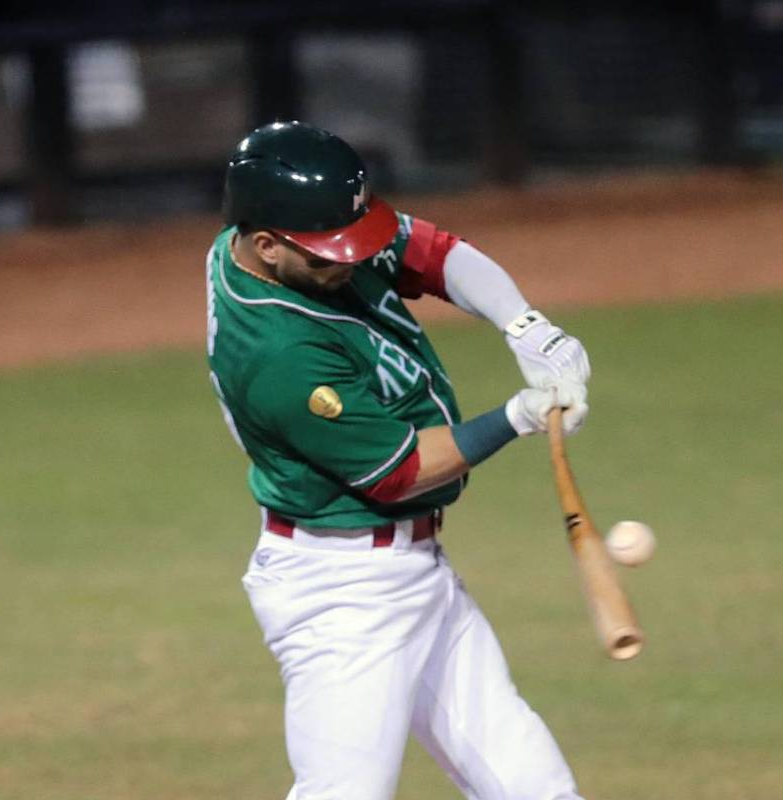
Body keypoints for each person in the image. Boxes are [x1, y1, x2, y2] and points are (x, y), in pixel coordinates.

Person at [205, 120, 591, 800]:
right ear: (266, 246)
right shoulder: (277, 355)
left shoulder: (267, 242)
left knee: (535, 788)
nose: (350, 261)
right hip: (342, 593)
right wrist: (518, 416)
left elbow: (432, 252)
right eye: (330, 254)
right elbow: (401, 472)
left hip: (413, 571)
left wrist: (525, 326)